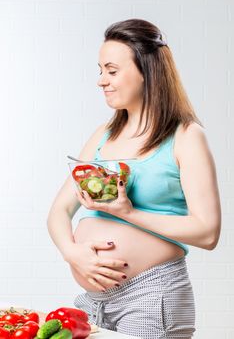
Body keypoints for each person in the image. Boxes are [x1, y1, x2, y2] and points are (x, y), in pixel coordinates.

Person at [47, 19, 221, 339]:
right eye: (100, 70)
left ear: (147, 71)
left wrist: (128, 213)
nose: (101, 81)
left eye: (112, 71)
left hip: (152, 297)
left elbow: (208, 233)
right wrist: (73, 253)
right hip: (93, 302)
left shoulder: (185, 137)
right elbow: (59, 212)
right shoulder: (104, 134)